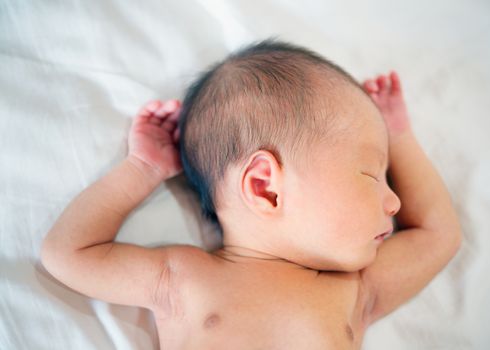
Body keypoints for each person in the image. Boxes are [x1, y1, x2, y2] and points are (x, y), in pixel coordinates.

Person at [41, 40, 462, 349]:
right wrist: (141, 170)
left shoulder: (355, 289)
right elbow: (67, 253)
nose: (395, 203)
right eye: (373, 174)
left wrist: (400, 138)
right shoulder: (181, 278)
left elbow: (438, 235)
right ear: (266, 187)